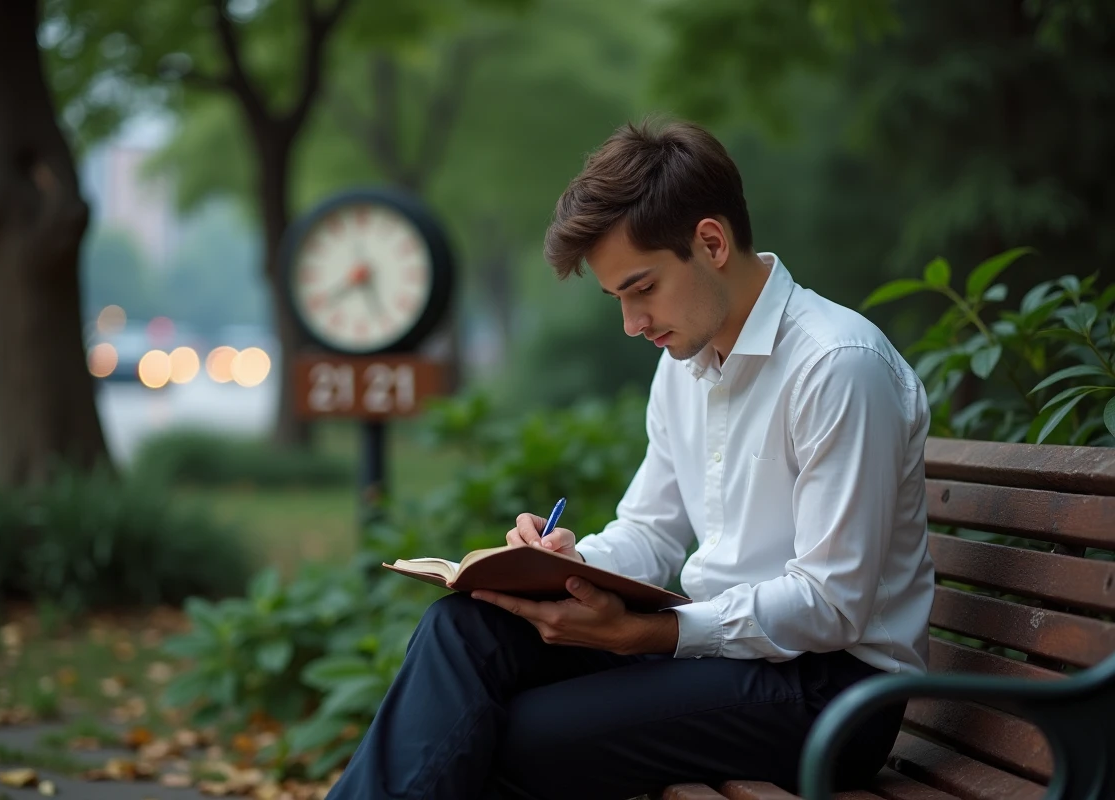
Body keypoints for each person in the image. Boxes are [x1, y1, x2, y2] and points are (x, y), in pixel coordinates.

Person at [326, 118, 935, 800]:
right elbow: (648, 530)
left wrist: (653, 633)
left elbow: (832, 604)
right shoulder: (685, 363)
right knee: (466, 627)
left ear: (711, 242)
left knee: (513, 732)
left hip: (830, 693)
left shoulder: (837, 366)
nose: (632, 323)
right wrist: (566, 568)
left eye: (642, 289)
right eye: (618, 298)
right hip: (725, 659)